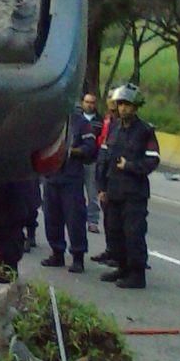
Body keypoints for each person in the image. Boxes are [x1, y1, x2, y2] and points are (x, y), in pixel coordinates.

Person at [96, 83, 160, 289]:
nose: (123, 108)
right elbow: (104, 157)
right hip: (113, 191)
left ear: (135, 107)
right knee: (114, 232)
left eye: (128, 105)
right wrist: (101, 187)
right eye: (121, 104)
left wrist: (130, 166)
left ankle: (137, 275)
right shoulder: (113, 127)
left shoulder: (145, 131)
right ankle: (122, 268)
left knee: (133, 234)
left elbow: (153, 160)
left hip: (134, 193)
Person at [41, 108, 98, 273]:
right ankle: (57, 252)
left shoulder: (82, 123)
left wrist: (70, 151)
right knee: (51, 216)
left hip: (71, 178)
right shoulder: (49, 120)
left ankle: (78, 257)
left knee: (75, 218)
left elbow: (90, 147)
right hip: (51, 176)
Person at [91, 90, 120, 265]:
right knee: (108, 217)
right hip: (103, 166)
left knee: (118, 219)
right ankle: (111, 250)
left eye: (113, 99)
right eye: (109, 98)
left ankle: (120, 254)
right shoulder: (107, 120)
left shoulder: (121, 124)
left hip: (116, 174)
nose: (110, 102)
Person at [80, 92, 103, 232]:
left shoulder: (100, 122)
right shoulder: (76, 118)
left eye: (92, 102)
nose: (89, 105)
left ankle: (93, 221)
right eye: (87, 102)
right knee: (75, 193)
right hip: (76, 162)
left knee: (92, 193)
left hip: (92, 161)